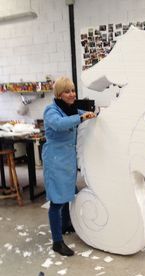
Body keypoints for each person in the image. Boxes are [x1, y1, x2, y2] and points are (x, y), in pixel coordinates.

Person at [42, 76, 97, 256]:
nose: (72, 94)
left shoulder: (71, 109)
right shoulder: (51, 111)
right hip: (55, 160)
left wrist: (97, 114)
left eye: (73, 90)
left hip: (67, 160)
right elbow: (59, 124)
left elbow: (85, 115)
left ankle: (66, 225)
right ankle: (57, 242)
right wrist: (81, 117)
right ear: (59, 94)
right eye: (67, 91)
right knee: (57, 201)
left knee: (67, 194)